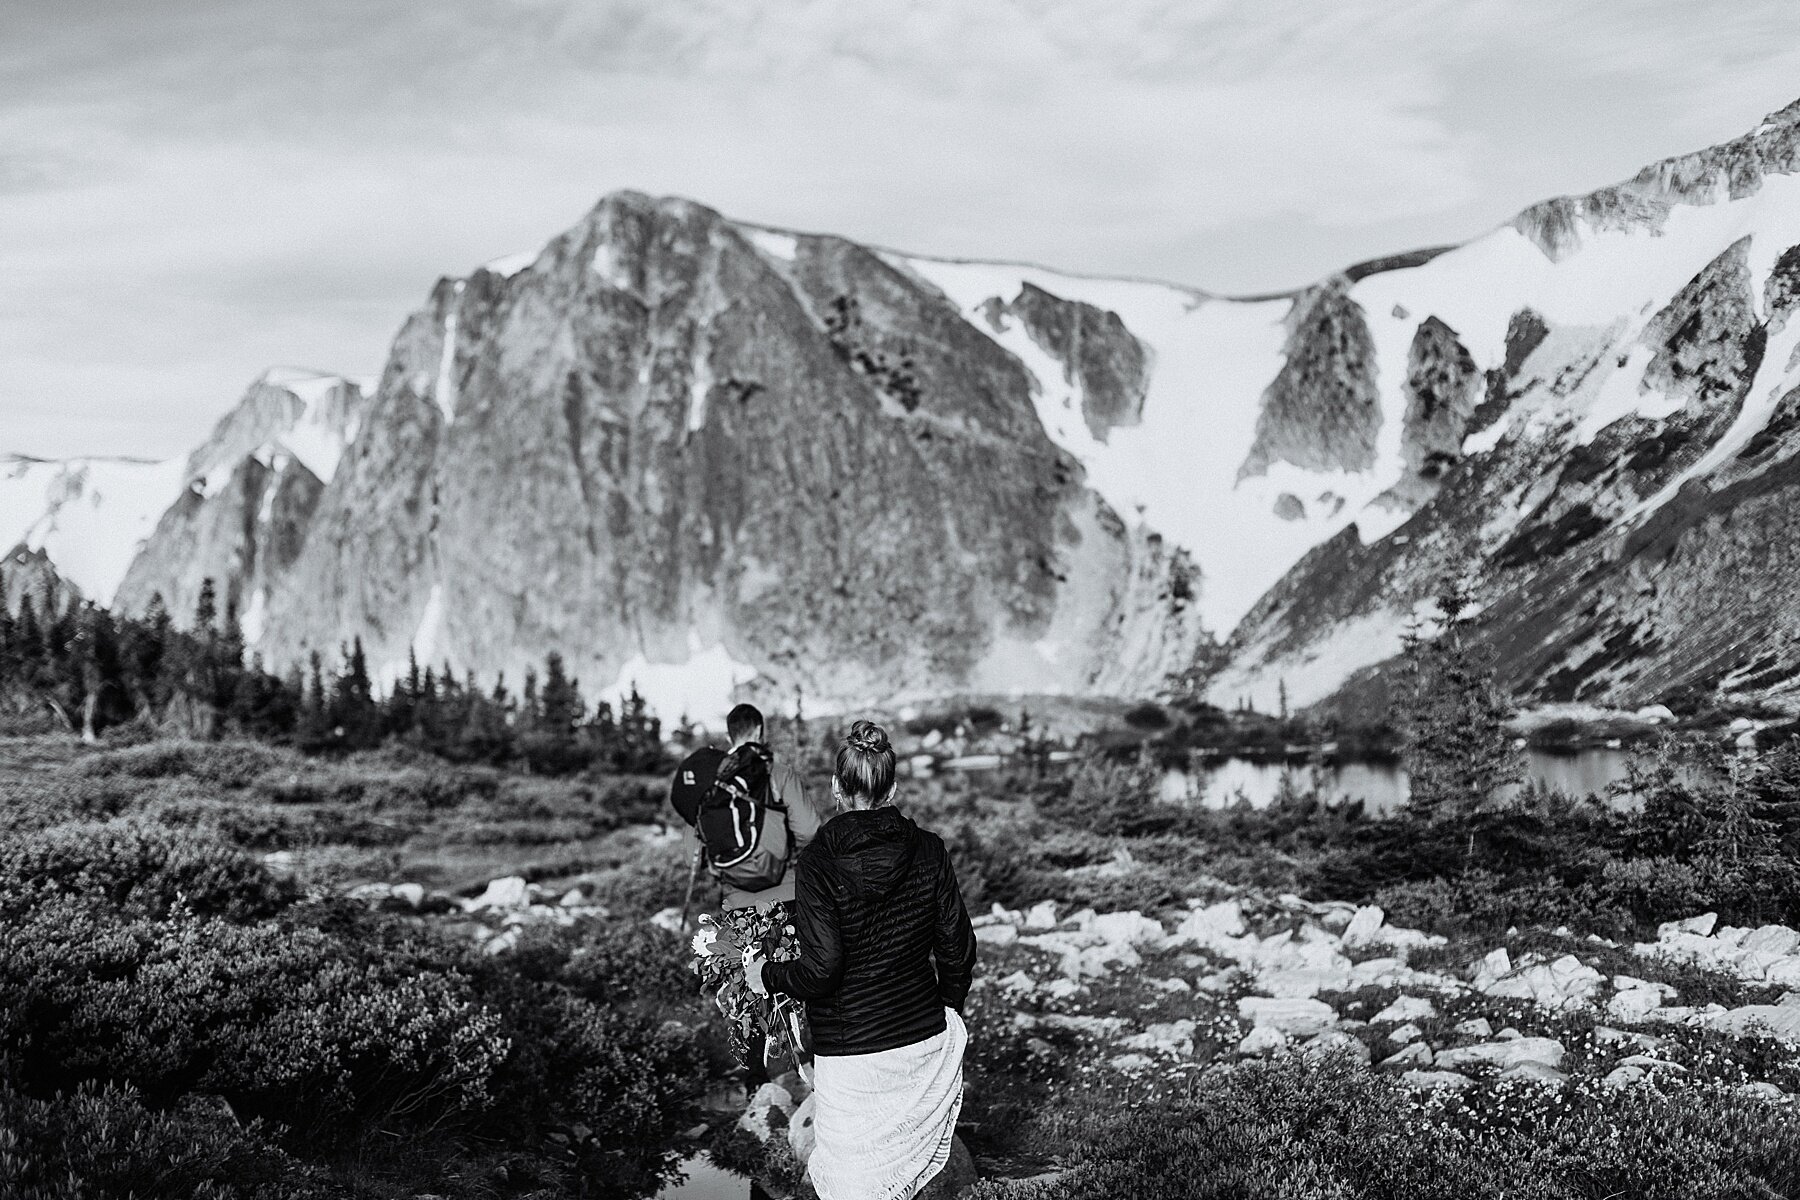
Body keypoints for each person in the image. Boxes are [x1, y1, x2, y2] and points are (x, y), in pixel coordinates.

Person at [747, 720, 977, 1200]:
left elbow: (821, 969)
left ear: (835, 788)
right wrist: (948, 1007)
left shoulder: (816, 863)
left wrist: (765, 975)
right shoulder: (930, 849)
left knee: (855, 1187)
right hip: (922, 1038)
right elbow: (957, 945)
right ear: (891, 787)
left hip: (854, 1058)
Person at [684, 702, 822, 1075]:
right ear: (760, 732)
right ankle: (801, 1069)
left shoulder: (714, 782)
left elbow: (694, 849)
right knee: (797, 979)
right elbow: (810, 830)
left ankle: (757, 1079)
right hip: (787, 896)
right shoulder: (778, 773)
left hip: (738, 901)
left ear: (730, 735)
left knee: (749, 986)